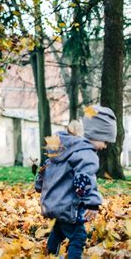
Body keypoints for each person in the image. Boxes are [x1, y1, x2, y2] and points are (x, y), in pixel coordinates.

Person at [35, 105, 117, 258]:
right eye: (105, 141)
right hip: (68, 206)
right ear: (96, 135)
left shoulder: (63, 146)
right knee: (78, 237)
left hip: (53, 202)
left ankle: (49, 254)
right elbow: (85, 179)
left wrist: (39, 185)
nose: (105, 146)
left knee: (60, 230)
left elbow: (45, 168)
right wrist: (91, 203)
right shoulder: (86, 154)